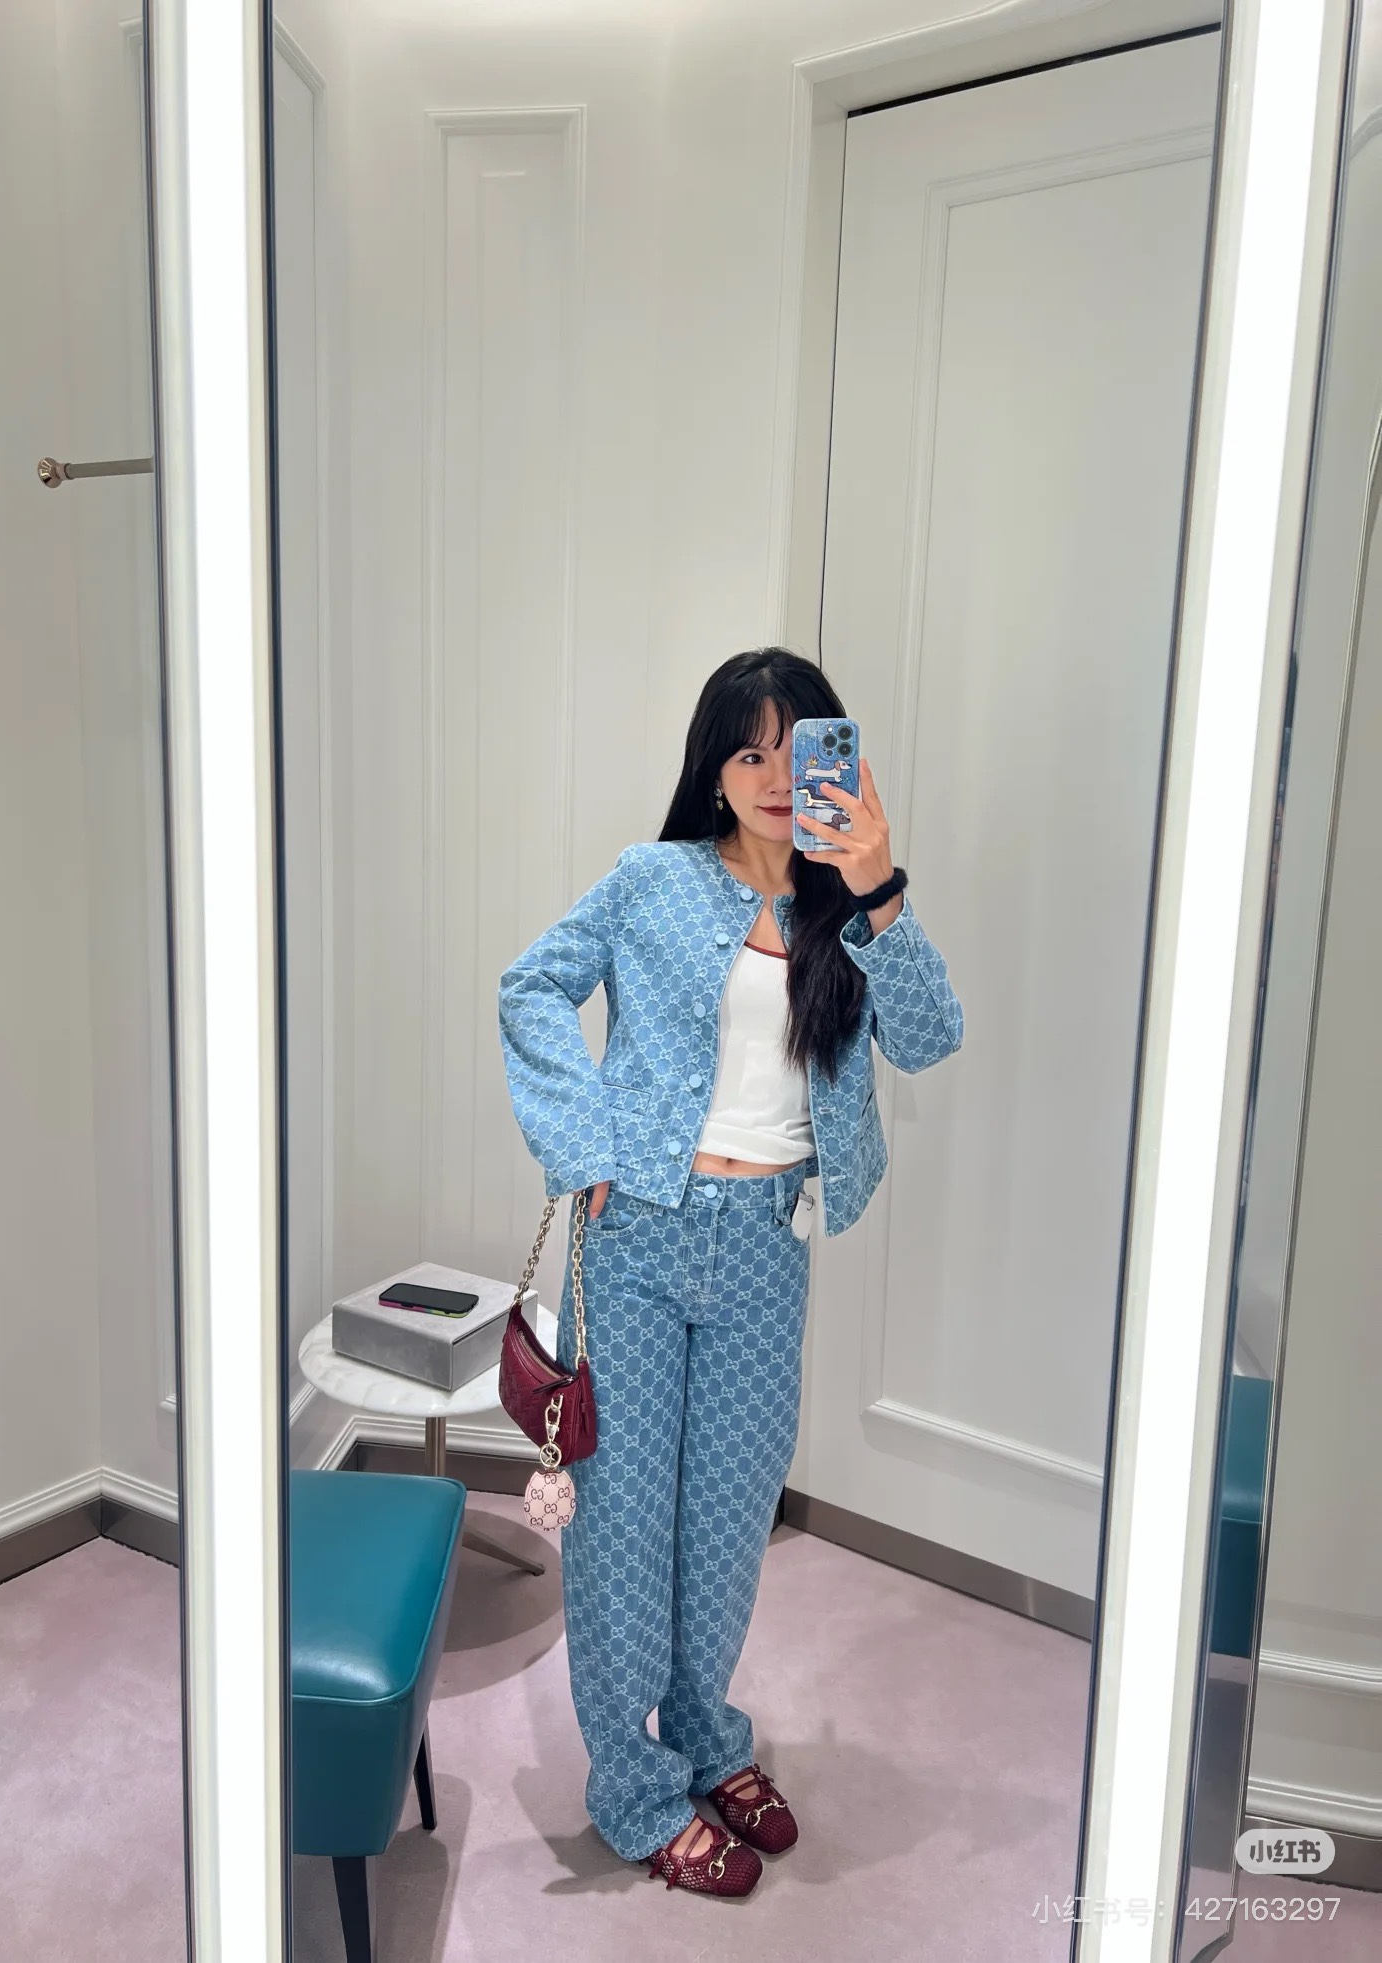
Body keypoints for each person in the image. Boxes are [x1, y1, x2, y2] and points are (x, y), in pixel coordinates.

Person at [497, 647, 963, 1900]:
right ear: (713, 768)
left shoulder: (847, 909)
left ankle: (708, 1739)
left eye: (797, 750)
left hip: (768, 1245)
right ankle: (636, 1790)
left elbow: (931, 1038)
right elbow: (531, 985)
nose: (771, 775)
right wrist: (583, 1144)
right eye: (748, 750)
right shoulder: (651, 881)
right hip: (638, 1242)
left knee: (725, 1526)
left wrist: (879, 884)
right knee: (621, 1529)